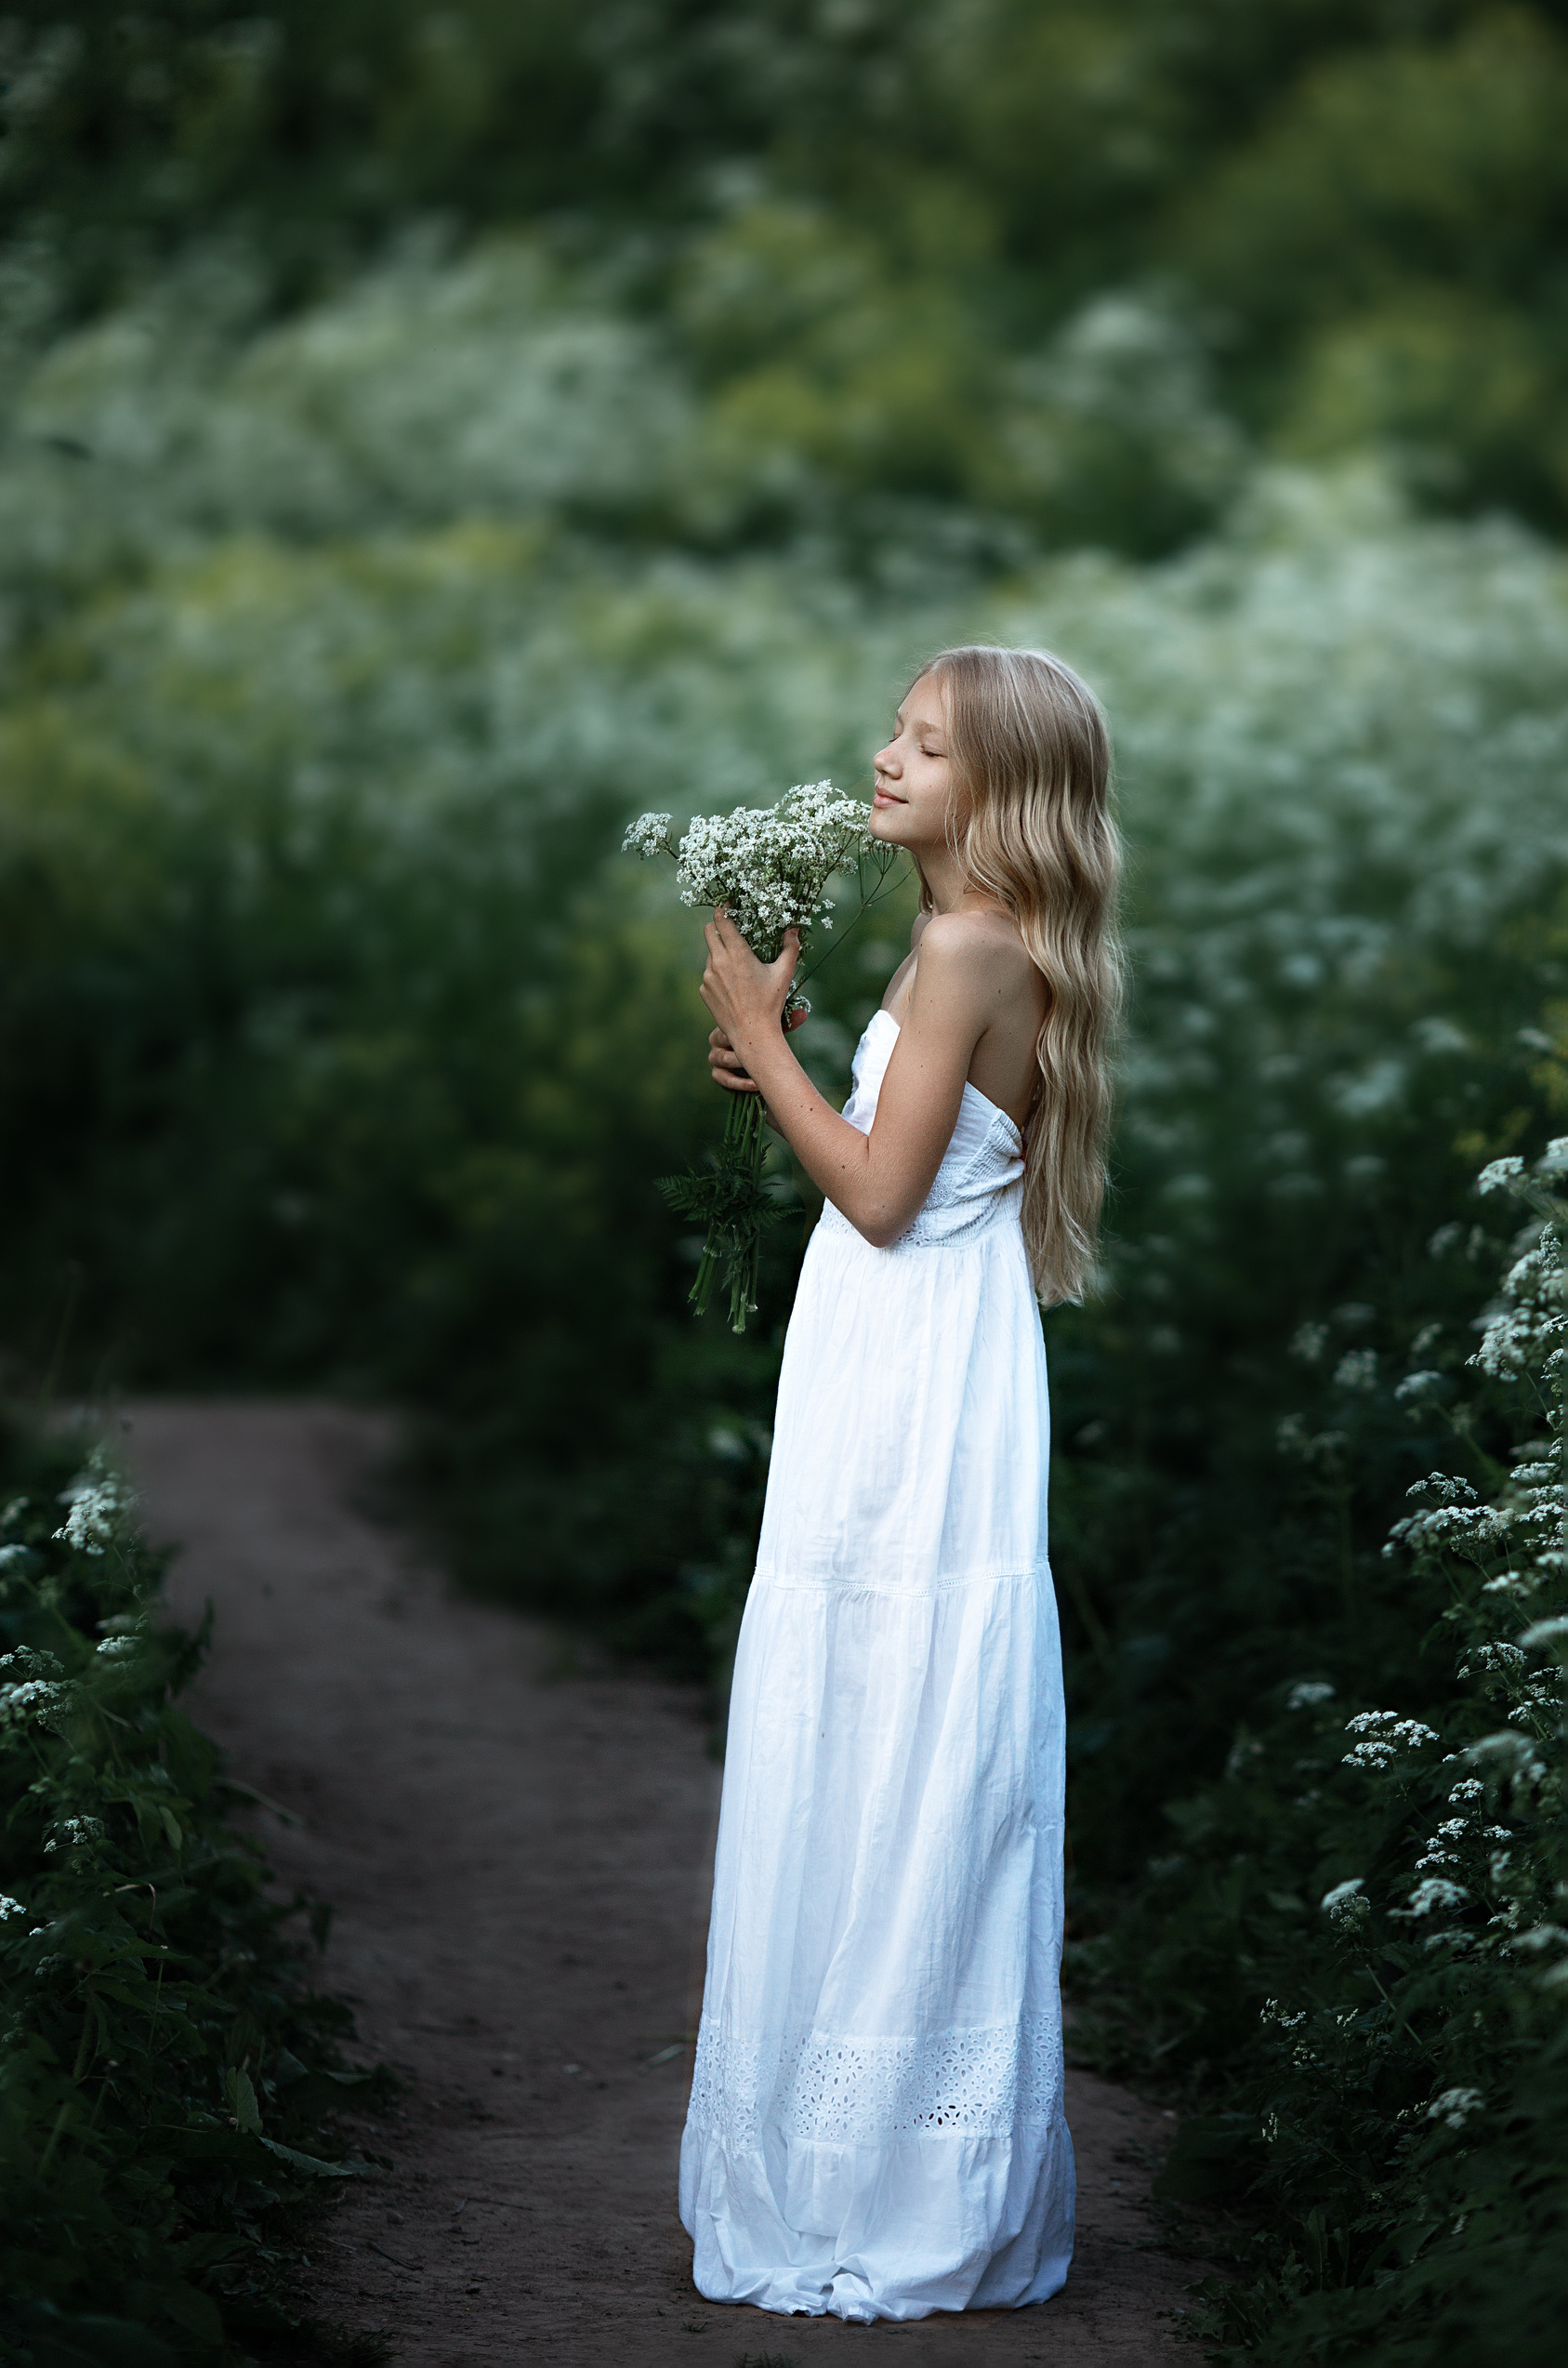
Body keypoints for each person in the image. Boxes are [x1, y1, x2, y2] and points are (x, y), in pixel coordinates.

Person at [679, 643, 1123, 2322]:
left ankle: (877, 2175)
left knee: (891, 1728)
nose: (885, 758)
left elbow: (872, 1198)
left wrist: (756, 1041)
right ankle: (887, 2150)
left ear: (996, 793)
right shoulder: (978, 943)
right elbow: (904, 1151)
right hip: (913, 1366)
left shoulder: (963, 942)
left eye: (925, 747)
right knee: (895, 1730)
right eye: (895, 733)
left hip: (912, 1384)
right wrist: (794, 1066)